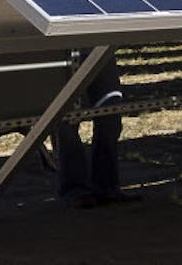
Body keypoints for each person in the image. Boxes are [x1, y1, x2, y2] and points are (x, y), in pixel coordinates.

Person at [52, 52, 138, 208]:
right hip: (61, 47)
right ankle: (74, 189)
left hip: (100, 44)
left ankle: (107, 185)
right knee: (66, 122)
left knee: (111, 115)